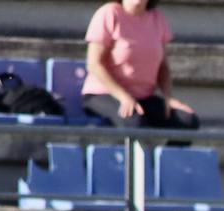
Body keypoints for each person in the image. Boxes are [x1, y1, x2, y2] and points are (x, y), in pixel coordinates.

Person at [81, 0, 200, 130]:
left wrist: (168, 98)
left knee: (187, 120)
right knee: (134, 122)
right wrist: (123, 97)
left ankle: (162, 151)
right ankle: (131, 151)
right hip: (104, 94)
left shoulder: (157, 19)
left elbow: (163, 66)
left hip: (142, 97)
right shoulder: (109, 13)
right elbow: (95, 64)